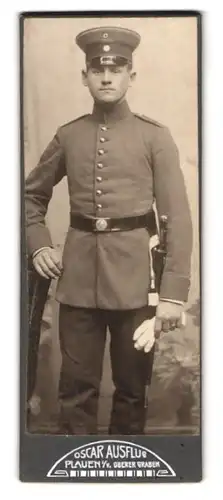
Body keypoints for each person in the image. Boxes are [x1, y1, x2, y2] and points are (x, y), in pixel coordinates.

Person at [25, 26, 193, 435]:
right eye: (97, 69)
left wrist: (172, 295)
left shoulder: (155, 136)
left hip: (137, 283)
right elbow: (28, 198)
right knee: (75, 389)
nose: (106, 77)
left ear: (130, 76)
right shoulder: (69, 135)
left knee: (133, 389)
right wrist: (38, 246)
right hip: (78, 281)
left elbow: (179, 217)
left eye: (116, 69)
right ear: (84, 76)